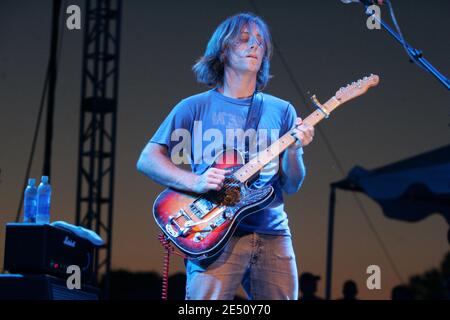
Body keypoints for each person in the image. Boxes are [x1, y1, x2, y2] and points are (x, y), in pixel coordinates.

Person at [137, 12, 314, 300]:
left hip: (273, 233)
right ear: (223, 50)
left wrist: (294, 149)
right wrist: (194, 181)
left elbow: (292, 184)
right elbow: (147, 159)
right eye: (244, 39)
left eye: (260, 41)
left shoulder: (282, 110)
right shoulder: (193, 107)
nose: (254, 45)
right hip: (211, 232)